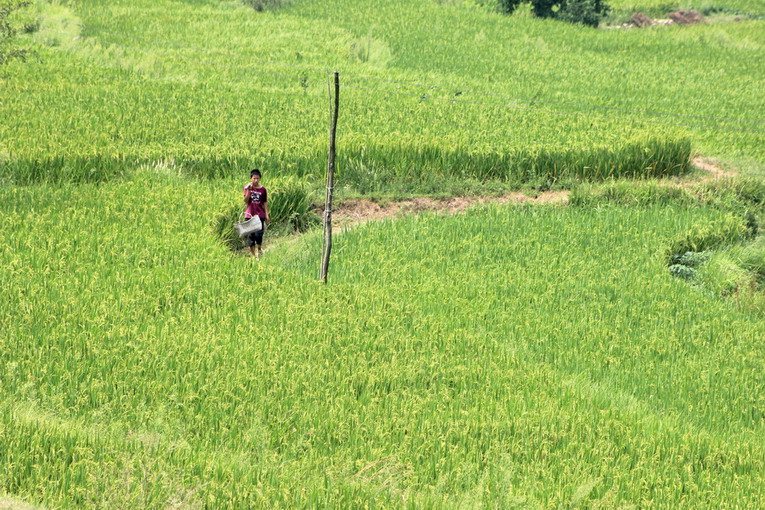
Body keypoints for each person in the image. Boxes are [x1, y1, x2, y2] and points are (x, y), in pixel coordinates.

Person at [243, 168, 270, 259]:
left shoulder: (263, 189)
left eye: (257, 178)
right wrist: (249, 192)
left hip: (259, 215)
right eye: (254, 178)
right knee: (251, 236)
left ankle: (259, 249)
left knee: (259, 234)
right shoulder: (247, 188)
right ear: (251, 178)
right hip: (250, 215)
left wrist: (266, 214)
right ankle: (253, 255)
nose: (256, 180)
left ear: (260, 179)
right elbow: (246, 201)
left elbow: (265, 203)